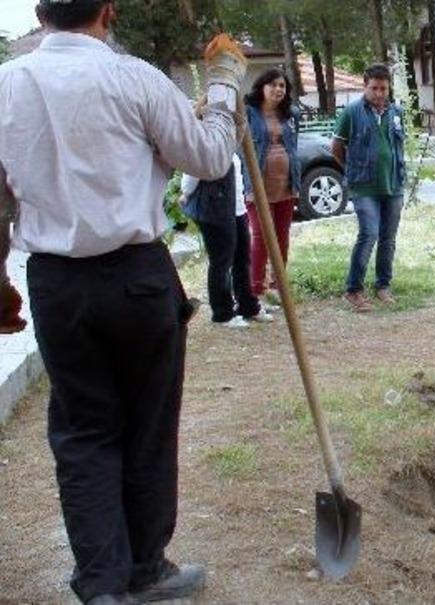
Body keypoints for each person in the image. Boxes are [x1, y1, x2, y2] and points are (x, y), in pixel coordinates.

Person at [0, 1, 243, 602]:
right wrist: (224, 87)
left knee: (84, 430)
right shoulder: (134, 77)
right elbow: (211, 158)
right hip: (137, 279)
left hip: (57, 284)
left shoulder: (7, 85)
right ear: (108, 11)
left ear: (40, 12)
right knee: (148, 425)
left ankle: (103, 584)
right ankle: (144, 568)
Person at [333, 63, 406, 313]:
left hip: (393, 184)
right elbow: (337, 147)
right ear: (365, 86)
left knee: (388, 238)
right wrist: (353, 169)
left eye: (383, 88)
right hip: (363, 186)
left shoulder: (396, 112)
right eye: (374, 88)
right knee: (369, 234)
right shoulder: (352, 112)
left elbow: (397, 146)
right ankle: (354, 290)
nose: (379, 93)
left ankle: (383, 285)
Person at [180, 154, 272, 328]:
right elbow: (190, 175)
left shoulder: (231, 146)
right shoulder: (207, 145)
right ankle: (222, 313)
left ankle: (247, 305)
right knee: (221, 262)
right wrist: (185, 193)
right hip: (214, 211)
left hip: (237, 210)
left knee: (242, 259)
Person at [242, 68, 301, 310]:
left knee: (282, 238)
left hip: (285, 185)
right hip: (258, 186)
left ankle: (278, 287)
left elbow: (293, 148)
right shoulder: (248, 113)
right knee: (260, 238)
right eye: (273, 85)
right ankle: (255, 289)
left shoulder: (289, 114)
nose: (278, 90)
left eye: (282, 86)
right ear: (262, 87)